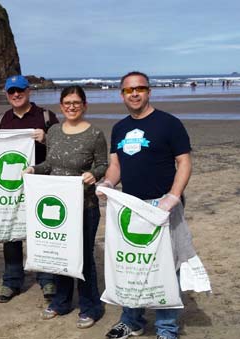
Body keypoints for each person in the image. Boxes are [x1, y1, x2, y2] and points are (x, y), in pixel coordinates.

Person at [98, 71, 193, 339]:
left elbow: (184, 162)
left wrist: (173, 196)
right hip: (129, 207)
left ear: (149, 91)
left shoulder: (169, 124)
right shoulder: (119, 128)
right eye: (129, 90)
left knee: (166, 269)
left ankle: (166, 328)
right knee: (131, 265)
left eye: (140, 88)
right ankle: (132, 320)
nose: (135, 93)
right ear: (122, 94)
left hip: (163, 207)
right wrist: (107, 183)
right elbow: (116, 165)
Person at [0, 75, 59, 303]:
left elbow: (61, 148)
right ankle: (12, 281)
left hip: (40, 183)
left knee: (41, 230)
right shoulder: (1, 121)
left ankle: (47, 279)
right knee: (10, 232)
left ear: (29, 91)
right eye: (11, 92)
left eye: (20, 90)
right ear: (6, 94)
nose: (16, 95)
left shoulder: (46, 117)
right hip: (9, 188)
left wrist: (47, 138)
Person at [24, 85, 107, 328]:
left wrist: (94, 174)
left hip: (85, 205)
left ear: (84, 105)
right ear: (61, 106)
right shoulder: (54, 132)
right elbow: (49, 163)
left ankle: (91, 306)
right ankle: (61, 301)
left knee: (84, 257)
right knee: (60, 253)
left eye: (76, 103)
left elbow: (102, 165)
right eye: (67, 103)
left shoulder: (95, 134)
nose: (71, 107)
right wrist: (33, 169)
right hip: (58, 206)